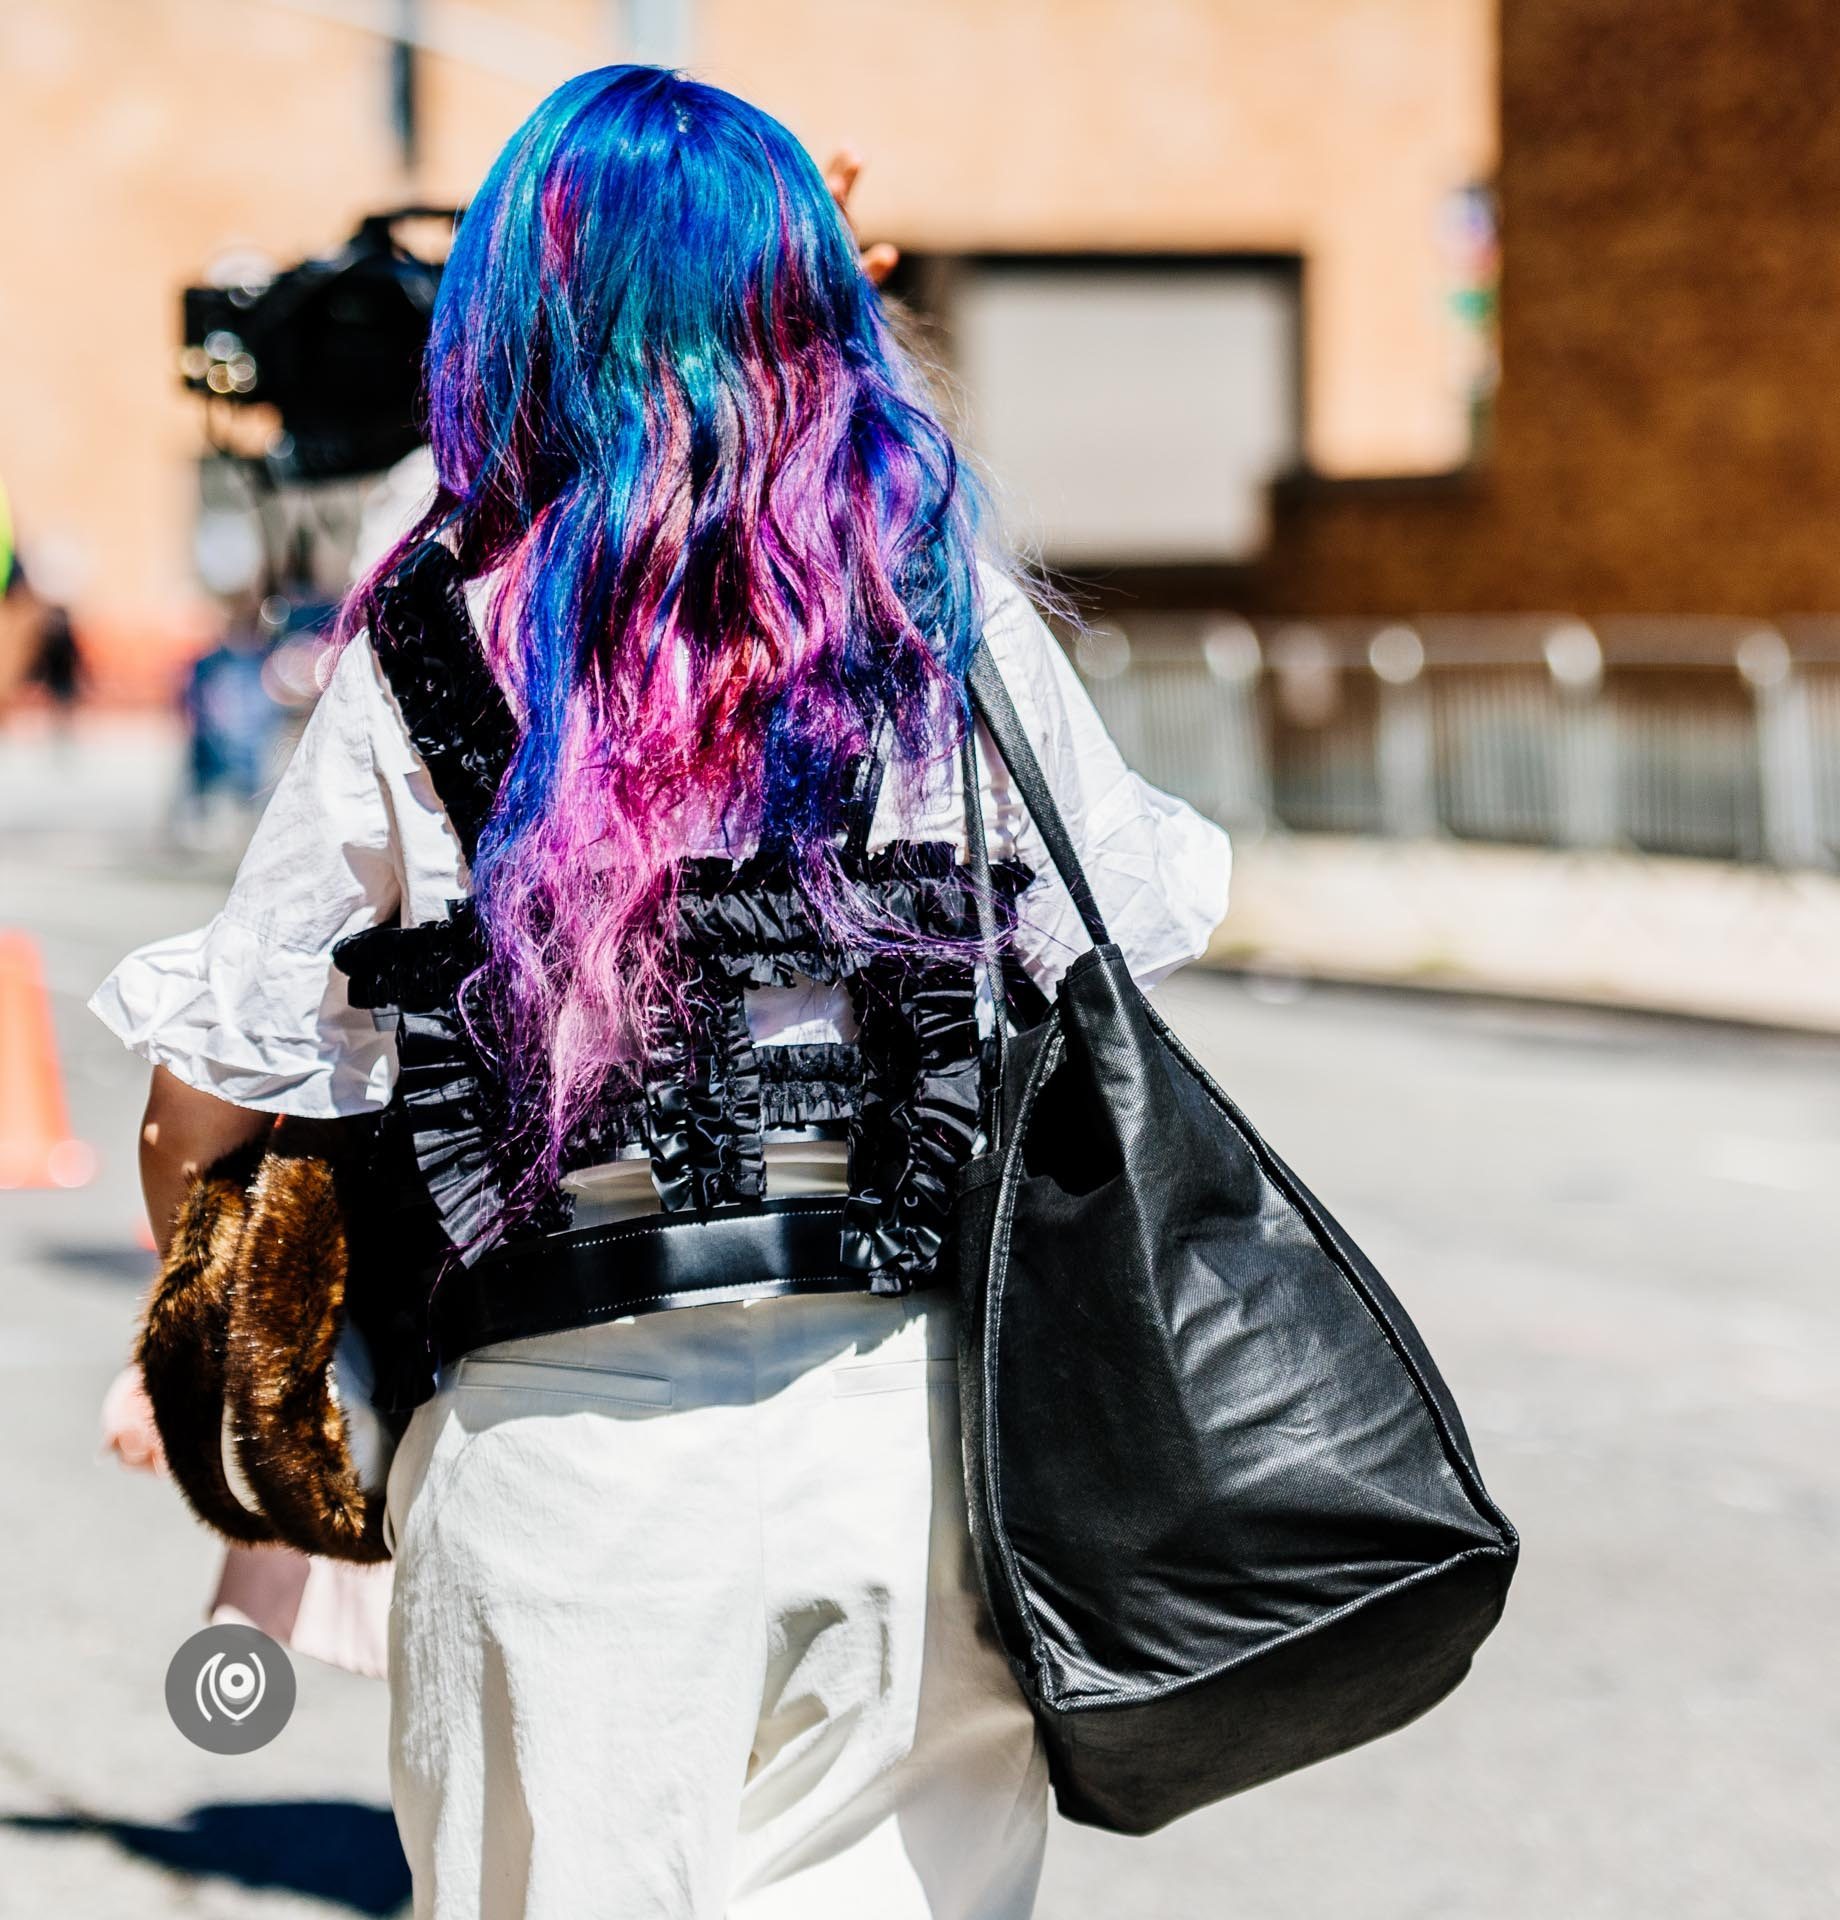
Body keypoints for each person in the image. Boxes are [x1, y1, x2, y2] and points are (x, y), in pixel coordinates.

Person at [92, 66, 1229, 1920]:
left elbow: (220, 1071)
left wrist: (227, 1318)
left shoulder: (429, 630)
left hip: (563, 1467)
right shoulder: (935, 600)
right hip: (917, 1456)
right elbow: (1118, 930)